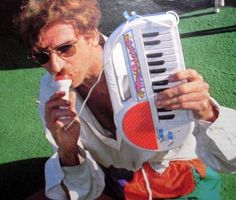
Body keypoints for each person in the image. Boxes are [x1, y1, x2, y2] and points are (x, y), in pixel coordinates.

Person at [15, 0, 236, 199]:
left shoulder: (146, 57)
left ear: (91, 36)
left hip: (179, 179)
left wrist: (208, 112)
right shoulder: (49, 90)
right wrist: (67, 151)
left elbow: (231, 160)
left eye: (65, 48)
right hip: (115, 182)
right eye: (41, 56)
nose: (55, 67)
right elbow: (82, 189)